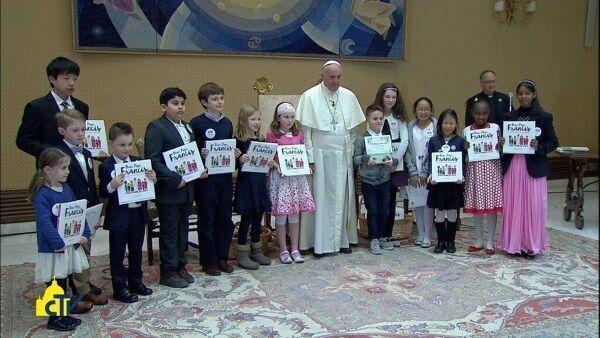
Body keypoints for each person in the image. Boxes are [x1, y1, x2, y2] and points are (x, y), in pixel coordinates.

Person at [296, 60, 366, 257]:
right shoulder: (309, 96)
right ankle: (319, 243)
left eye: (338, 77)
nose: (335, 81)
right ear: (323, 76)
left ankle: (342, 240)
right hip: (320, 154)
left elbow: (353, 131)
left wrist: (350, 154)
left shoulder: (348, 96)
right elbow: (306, 132)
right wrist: (310, 158)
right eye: (331, 77)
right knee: (320, 198)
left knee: (342, 198)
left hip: (342, 155)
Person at [30, 148, 91, 331]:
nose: (68, 171)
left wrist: (85, 232)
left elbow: (77, 211)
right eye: (63, 168)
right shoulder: (43, 194)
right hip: (54, 247)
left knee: (64, 281)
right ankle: (54, 319)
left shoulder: (66, 188)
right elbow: (45, 222)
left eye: (68, 168)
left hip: (68, 244)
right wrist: (57, 242)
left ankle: (63, 314)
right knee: (54, 284)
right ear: (48, 170)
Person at [498, 80, 558, 260]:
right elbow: (503, 143)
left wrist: (539, 146)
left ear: (533, 94)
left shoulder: (544, 117)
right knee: (514, 205)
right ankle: (514, 244)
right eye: (520, 93)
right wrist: (501, 143)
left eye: (527, 93)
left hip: (534, 167)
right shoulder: (509, 117)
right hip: (514, 167)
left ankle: (531, 245)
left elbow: (553, 142)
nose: (523, 96)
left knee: (533, 206)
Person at [54, 109, 107, 306]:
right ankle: (73, 291)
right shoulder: (57, 154)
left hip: (88, 207)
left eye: (83, 129)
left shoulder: (85, 152)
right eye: (75, 130)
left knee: (85, 249)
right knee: (70, 251)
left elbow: (88, 181)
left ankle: (83, 285)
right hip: (70, 210)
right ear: (62, 131)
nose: (81, 134)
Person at [145, 87, 196, 288]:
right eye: (175, 103)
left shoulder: (189, 127)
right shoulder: (156, 127)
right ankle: (167, 271)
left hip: (187, 188)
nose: (180, 107)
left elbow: (190, 156)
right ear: (164, 106)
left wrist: (198, 169)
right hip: (169, 189)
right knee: (169, 231)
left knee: (183, 229)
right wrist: (174, 179)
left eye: (182, 103)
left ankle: (180, 264)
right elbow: (152, 160)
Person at [99, 122, 156, 302]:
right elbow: (102, 191)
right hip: (118, 217)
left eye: (129, 144)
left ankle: (136, 281)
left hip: (138, 214)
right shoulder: (106, 166)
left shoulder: (139, 162)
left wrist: (152, 179)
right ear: (111, 144)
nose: (126, 148)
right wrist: (112, 185)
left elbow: (147, 187)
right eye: (122, 145)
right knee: (117, 252)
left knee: (136, 251)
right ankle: (119, 287)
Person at [190, 82, 240, 276]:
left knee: (225, 220)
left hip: (225, 179)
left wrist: (234, 153)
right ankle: (208, 261)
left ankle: (222, 257)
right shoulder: (196, 123)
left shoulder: (227, 123)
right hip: (206, 181)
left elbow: (229, 147)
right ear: (204, 102)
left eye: (221, 98)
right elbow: (190, 154)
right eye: (214, 99)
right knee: (206, 220)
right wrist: (199, 154)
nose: (220, 102)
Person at [266, 102, 316, 263]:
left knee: (294, 214)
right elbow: (268, 155)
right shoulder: (272, 135)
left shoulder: (298, 134)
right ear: (278, 118)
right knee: (282, 215)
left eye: (292, 117)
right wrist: (273, 164)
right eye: (286, 117)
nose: (289, 120)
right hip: (280, 180)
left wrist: (306, 166)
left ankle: (294, 247)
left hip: (296, 180)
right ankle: (283, 249)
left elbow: (301, 154)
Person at [16, 57, 90, 162]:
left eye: (75, 78)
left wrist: (96, 151)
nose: (72, 83)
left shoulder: (82, 106)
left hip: (78, 164)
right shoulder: (37, 107)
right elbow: (23, 140)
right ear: (52, 79)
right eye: (66, 78)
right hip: (50, 165)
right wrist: (52, 152)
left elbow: (82, 136)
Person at [353, 105, 398, 255]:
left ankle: (382, 237)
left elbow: (392, 157)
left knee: (384, 211)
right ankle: (373, 239)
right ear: (368, 119)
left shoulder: (386, 139)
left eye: (380, 118)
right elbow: (355, 158)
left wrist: (393, 162)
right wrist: (367, 159)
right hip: (369, 182)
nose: (378, 121)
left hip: (385, 181)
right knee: (372, 210)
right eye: (375, 119)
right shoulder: (362, 139)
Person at [233, 105, 273, 269]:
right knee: (246, 219)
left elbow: (264, 163)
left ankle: (256, 250)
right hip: (246, 184)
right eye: (253, 119)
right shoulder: (239, 141)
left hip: (259, 183)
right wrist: (239, 160)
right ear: (244, 120)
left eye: (258, 119)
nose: (257, 122)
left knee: (258, 217)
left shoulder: (262, 140)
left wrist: (269, 163)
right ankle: (242, 253)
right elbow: (233, 165)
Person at [423, 109, 466, 254]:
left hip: (454, 185)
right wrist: (430, 175)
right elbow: (429, 159)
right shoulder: (434, 140)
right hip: (438, 185)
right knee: (439, 214)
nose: (448, 126)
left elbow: (464, 162)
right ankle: (441, 241)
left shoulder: (460, 141)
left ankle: (450, 242)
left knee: (452, 213)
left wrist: (462, 176)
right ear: (440, 124)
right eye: (445, 123)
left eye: (451, 123)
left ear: (456, 124)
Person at [463, 98, 503, 255]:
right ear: (472, 113)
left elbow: (500, 151)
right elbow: (466, 156)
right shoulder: (467, 131)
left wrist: (501, 145)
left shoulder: (495, 128)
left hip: (492, 172)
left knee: (491, 209)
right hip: (475, 172)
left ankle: (490, 242)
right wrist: (465, 148)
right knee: (477, 208)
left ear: (489, 113)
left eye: (484, 113)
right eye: (478, 113)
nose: (481, 117)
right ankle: (479, 240)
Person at [372, 82, 409, 248]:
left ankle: (386, 234)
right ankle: (376, 235)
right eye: (387, 96)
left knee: (391, 200)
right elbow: (372, 139)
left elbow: (405, 140)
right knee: (379, 200)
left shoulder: (399, 117)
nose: (390, 100)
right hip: (379, 164)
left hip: (395, 164)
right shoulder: (375, 115)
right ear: (381, 96)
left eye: (393, 97)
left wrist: (394, 160)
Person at [404, 97, 437, 248]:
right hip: (413, 170)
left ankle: (428, 235)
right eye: (420, 109)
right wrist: (412, 171)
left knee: (428, 204)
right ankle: (421, 234)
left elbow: (435, 150)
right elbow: (407, 150)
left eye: (426, 109)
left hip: (429, 171)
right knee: (417, 203)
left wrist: (425, 171)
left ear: (431, 111)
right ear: (415, 111)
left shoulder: (436, 126)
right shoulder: (410, 127)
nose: (423, 112)